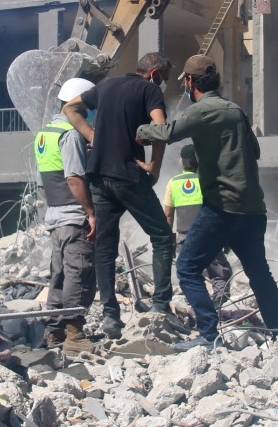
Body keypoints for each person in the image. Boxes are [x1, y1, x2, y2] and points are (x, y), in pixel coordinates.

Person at [136, 55, 278, 351]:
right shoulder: (236, 110)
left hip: (222, 207)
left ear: (191, 82)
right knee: (259, 274)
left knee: (188, 267)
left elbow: (168, 133)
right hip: (253, 209)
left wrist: (140, 132)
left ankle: (209, 334)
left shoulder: (203, 110)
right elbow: (254, 151)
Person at [63, 52, 174, 336]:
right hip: (128, 175)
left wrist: (93, 136)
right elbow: (161, 129)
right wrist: (155, 167)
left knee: (104, 246)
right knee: (162, 236)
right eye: (165, 78)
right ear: (155, 73)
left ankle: (111, 316)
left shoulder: (106, 85)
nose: (164, 85)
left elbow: (70, 109)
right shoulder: (149, 90)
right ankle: (161, 305)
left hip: (99, 176)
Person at [35, 77, 98, 354]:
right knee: (78, 273)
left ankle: (54, 332)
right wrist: (91, 212)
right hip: (74, 215)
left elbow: (43, 181)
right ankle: (75, 333)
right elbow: (74, 177)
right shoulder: (70, 134)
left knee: (58, 275)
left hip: (55, 215)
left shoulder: (45, 134)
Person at [163, 145, 233, 309]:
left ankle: (197, 305)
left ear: (181, 161)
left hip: (185, 236)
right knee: (219, 270)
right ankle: (219, 302)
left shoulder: (173, 183)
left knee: (190, 273)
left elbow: (168, 215)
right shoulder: (208, 180)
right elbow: (223, 208)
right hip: (209, 233)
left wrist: (170, 241)